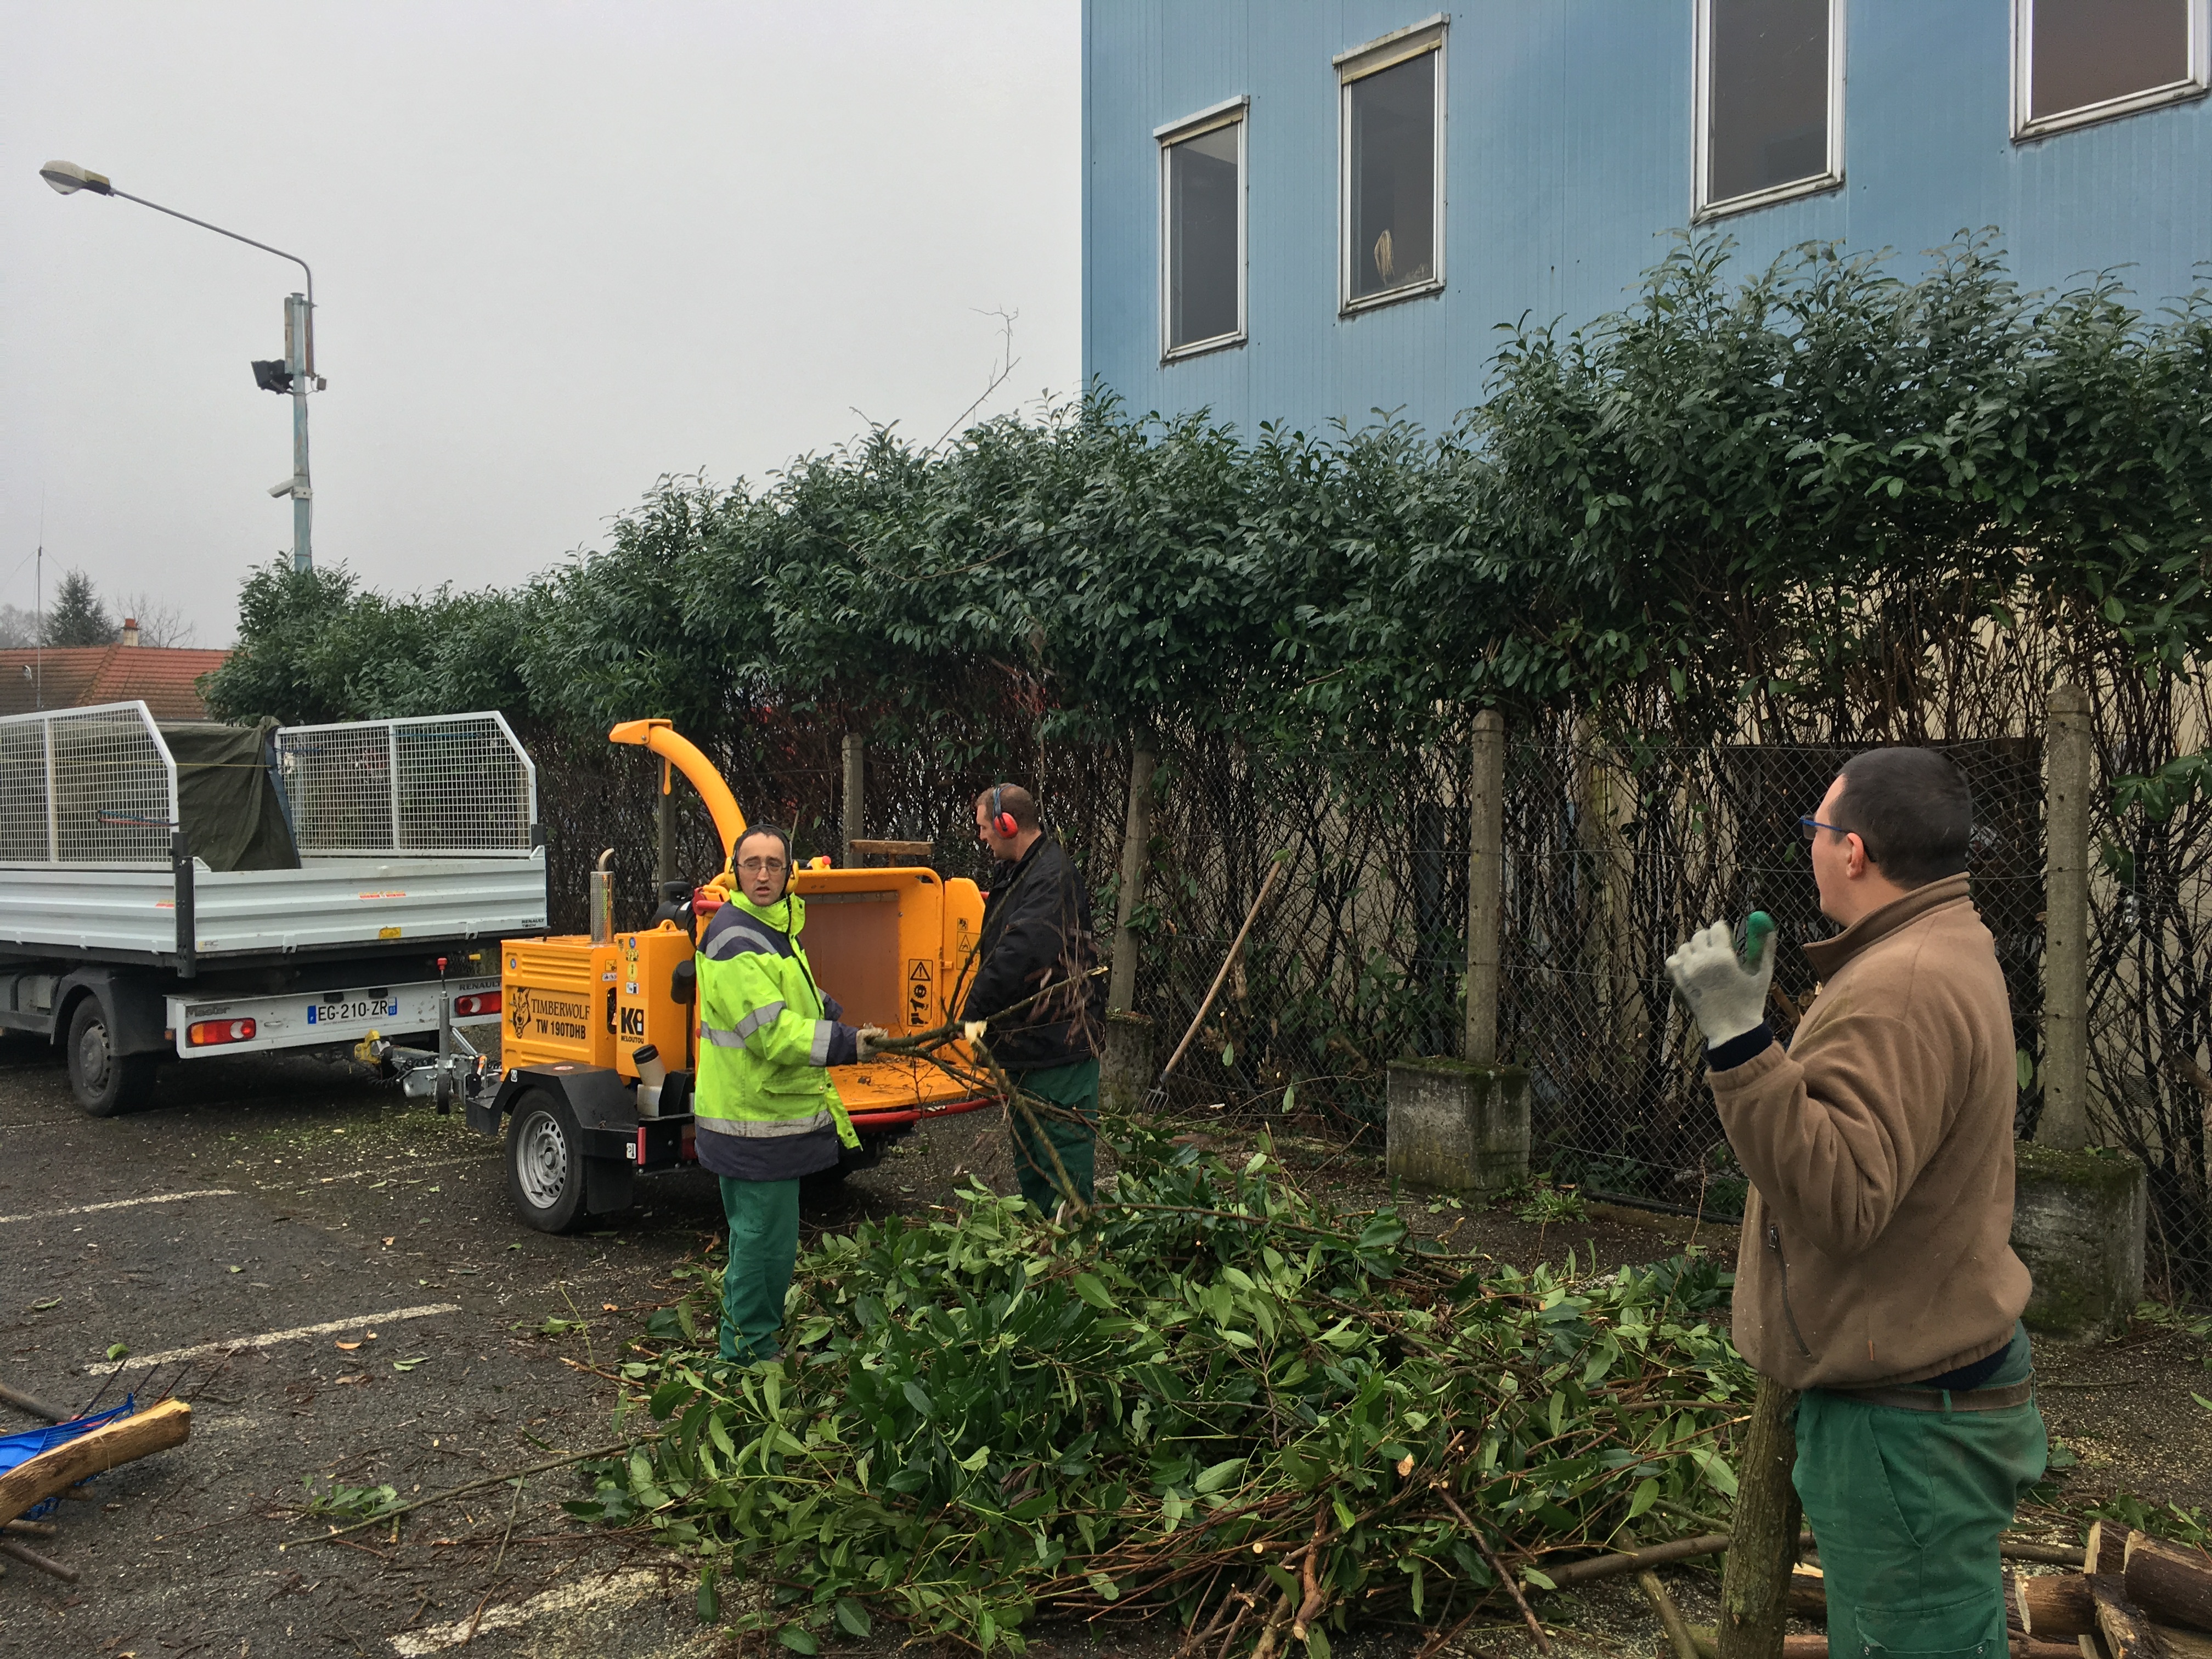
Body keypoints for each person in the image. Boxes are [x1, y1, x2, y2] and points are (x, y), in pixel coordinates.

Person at [1664, 748, 2045, 1659]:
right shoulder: (1939, 942)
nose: (1809, 846)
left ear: (1853, 852)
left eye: (1815, 829)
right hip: (1920, 1383)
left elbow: (1841, 1199)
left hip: (1904, 1424)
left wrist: (1737, 1041)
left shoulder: (1900, 987)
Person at [693, 823, 885, 1362]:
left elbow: (787, 993)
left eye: (773, 864)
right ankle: (748, 1355)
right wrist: (847, 1042)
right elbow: (771, 1033)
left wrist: (829, 1010)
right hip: (751, 1120)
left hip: (762, 1114)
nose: (762, 874)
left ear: (789, 874)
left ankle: (749, 1342)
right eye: (751, 863)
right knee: (763, 1246)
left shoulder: (772, 926)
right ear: (735, 872)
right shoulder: (737, 937)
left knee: (760, 1242)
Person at [962, 783, 1104, 1215]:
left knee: (1063, 1153)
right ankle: (1041, 1239)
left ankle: (1074, 1247)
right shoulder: (1019, 869)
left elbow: (1021, 947)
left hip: (1060, 1038)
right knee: (1030, 1153)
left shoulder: (1050, 875)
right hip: (1028, 1041)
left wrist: (976, 1008)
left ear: (1009, 825)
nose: (982, 836)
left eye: (986, 827)